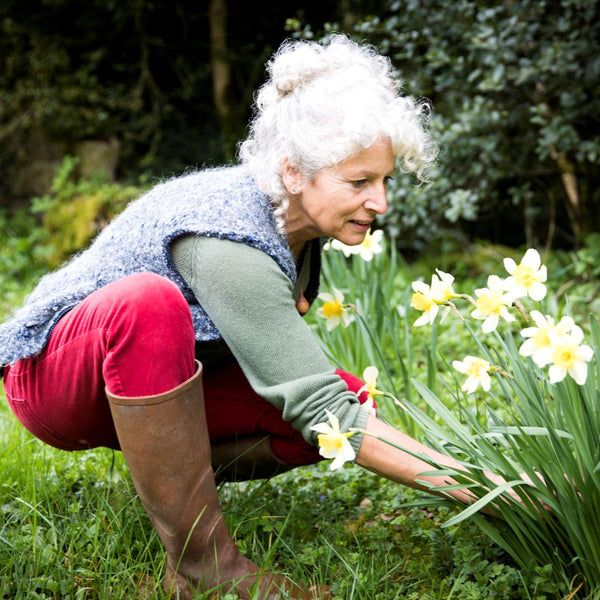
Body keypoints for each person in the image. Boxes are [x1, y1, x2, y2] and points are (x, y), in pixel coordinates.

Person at [0, 34, 488, 599]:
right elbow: (318, 404)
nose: (380, 202)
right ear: (293, 173)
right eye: (359, 183)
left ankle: (166, 485)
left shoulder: (297, 230)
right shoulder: (229, 234)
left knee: (346, 404)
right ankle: (203, 568)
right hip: (54, 378)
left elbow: (324, 407)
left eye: (384, 181)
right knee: (150, 303)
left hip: (146, 385)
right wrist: (488, 489)